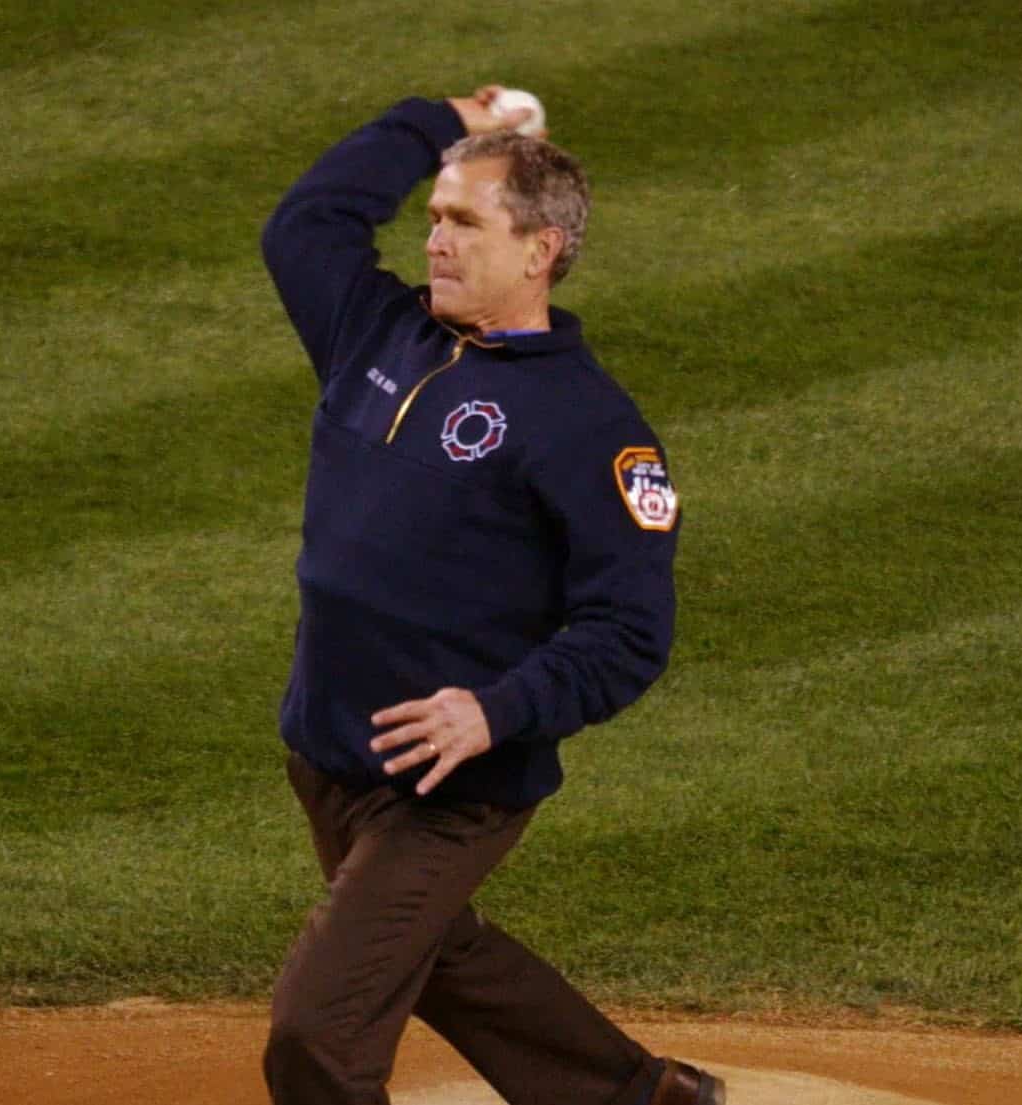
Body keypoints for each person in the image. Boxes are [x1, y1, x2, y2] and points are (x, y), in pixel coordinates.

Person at [259, 86, 721, 1105]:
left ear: (540, 251)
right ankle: (642, 1098)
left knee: (315, 1033)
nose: (434, 241)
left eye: (465, 221)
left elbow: (630, 630)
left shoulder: (590, 426)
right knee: (441, 958)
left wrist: (495, 710)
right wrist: (437, 119)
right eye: (432, 216)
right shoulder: (374, 334)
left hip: (451, 786)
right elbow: (306, 224)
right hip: (331, 752)